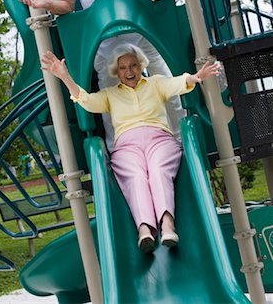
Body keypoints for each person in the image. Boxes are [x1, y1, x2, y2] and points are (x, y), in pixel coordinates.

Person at [18, 0, 185, 151]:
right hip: (104, 42)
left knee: (163, 75)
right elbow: (67, 5)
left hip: (139, 32)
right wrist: (46, 3)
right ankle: (119, 147)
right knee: (108, 89)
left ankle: (179, 137)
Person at [41, 44, 220, 254]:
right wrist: (65, 77)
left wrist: (196, 77)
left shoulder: (155, 84)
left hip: (159, 140)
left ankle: (167, 225)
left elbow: (178, 83)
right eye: (123, 68)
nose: (129, 71)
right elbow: (86, 101)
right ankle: (144, 229)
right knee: (135, 177)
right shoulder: (110, 94)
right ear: (116, 72)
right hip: (127, 147)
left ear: (141, 65)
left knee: (158, 170)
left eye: (133, 65)